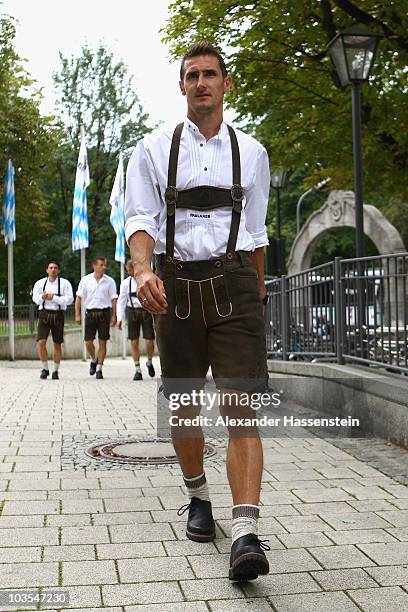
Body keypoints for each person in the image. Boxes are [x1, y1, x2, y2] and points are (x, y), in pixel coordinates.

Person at [125, 41, 271, 582]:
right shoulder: (153, 149)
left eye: (210, 74)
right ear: (181, 86)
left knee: (242, 407)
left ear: (225, 84)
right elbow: (139, 219)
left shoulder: (251, 152)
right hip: (176, 284)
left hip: (233, 284)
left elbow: (255, 234)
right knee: (183, 405)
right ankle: (198, 497)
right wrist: (143, 271)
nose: (202, 82)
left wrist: (256, 298)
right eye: (193, 75)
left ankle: (246, 531)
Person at [75, 256, 117, 380]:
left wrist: (114, 315)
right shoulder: (86, 280)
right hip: (90, 313)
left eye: (104, 265)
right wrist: (77, 314)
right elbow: (79, 298)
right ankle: (94, 359)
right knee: (88, 341)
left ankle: (99, 368)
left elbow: (114, 299)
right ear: (94, 266)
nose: (103, 267)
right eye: (101, 265)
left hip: (104, 313)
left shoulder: (110, 281)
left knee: (103, 341)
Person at [32, 261, 74, 379]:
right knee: (41, 342)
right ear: (47, 270)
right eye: (51, 268)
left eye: (55, 268)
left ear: (58, 270)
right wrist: (43, 297)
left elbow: (69, 299)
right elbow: (35, 298)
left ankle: (55, 370)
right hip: (44, 314)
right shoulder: (40, 283)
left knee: (57, 343)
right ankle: (45, 368)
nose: (53, 270)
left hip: (58, 314)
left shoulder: (64, 283)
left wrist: (54, 298)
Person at [116, 259, 156, 380]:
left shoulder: (147, 280)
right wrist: (119, 318)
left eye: (130, 270)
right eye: (127, 271)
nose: (129, 273)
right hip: (132, 312)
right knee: (133, 341)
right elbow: (121, 301)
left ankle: (149, 361)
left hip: (146, 311)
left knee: (149, 340)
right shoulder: (125, 283)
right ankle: (137, 369)